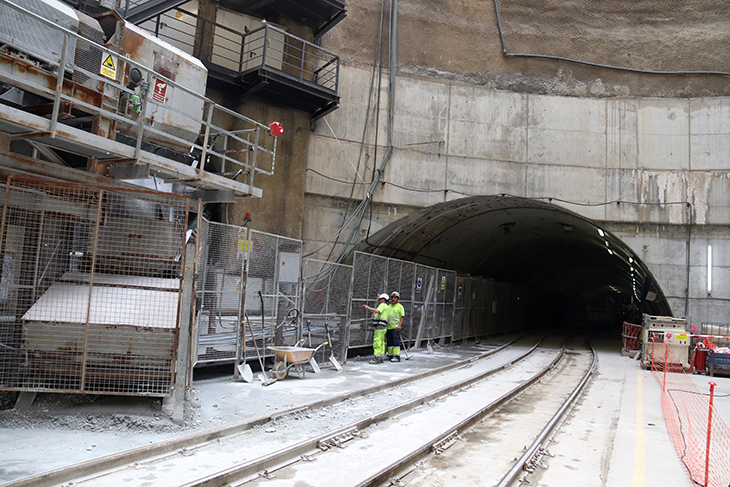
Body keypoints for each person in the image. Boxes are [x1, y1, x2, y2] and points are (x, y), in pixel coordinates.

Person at [363, 293, 389, 364]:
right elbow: (379, 313)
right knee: (381, 342)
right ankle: (381, 356)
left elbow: (377, 311)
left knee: (377, 341)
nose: (379, 300)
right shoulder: (386, 307)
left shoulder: (382, 305)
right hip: (383, 327)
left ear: (383, 299)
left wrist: (367, 307)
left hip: (379, 326)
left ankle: (377, 357)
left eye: (380, 299)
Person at [386, 291, 405, 362]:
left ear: (398, 299)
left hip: (395, 327)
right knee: (389, 342)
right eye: (392, 297)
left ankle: (396, 356)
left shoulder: (400, 307)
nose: (393, 299)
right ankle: (390, 354)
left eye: (395, 298)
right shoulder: (388, 307)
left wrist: (399, 325)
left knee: (396, 342)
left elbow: (402, 316)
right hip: (388, 327)